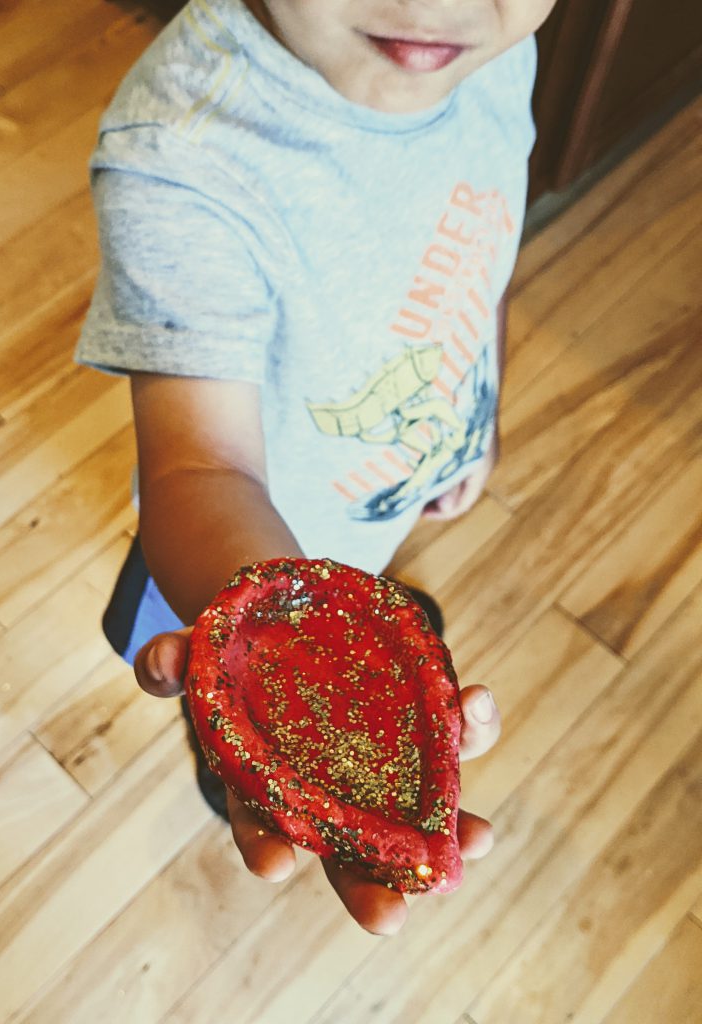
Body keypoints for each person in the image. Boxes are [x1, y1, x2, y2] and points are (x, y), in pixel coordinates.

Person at [75, 0, 557, 935]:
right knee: (223, 689)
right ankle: (238, 764)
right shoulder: (180, 155)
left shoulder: (496, 52)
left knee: (365, 580)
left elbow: (482, 249)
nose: (442, 3)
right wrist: (299, 690)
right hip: (230, 555)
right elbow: (200, 471)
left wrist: (480, 405)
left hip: (373, 497)